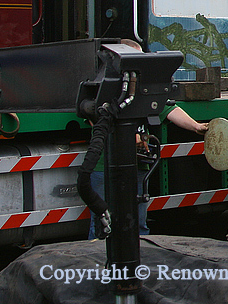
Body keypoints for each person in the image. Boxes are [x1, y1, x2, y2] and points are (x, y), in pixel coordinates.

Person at [87, 41, 208, 239]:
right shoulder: (105, 88)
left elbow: (170, 109)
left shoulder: (146, 89)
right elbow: (96, 119)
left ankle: (139, 263)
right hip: (104, 167)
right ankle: (99, 266)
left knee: (139, 222)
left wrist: (197, 127)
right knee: (101, 223)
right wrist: (125, 135)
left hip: (138, 165)